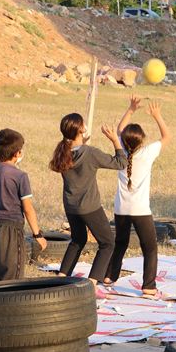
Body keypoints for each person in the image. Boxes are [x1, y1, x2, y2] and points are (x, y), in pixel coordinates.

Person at [104, 96, 171, 297]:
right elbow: (167, 136)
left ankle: (109, 276)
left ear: (124, 141)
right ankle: (148, 286)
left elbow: (119, 131)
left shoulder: (121, 152)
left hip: (121, 209)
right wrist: (157, 116)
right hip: (140, 210)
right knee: (150, 248)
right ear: (141, 140)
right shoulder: (147, 153)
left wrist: (131, 109)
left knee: (120, 244)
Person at [49, 113, 127, 285]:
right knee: (107, 243)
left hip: (70, 206)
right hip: (89, 207)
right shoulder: (90, 153)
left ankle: (61, 277)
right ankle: (91, 282)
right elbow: (121, 163)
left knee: (78, 240)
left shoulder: (62, 153)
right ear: (81, 129)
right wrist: (115, 140)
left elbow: (76, 154)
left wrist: (82, 143)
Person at [0, 128, 47, 282]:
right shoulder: (20, 176)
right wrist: (37, 235)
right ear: (17, 153)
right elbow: (28, 209)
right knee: (12, 279)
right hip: (11, 229)